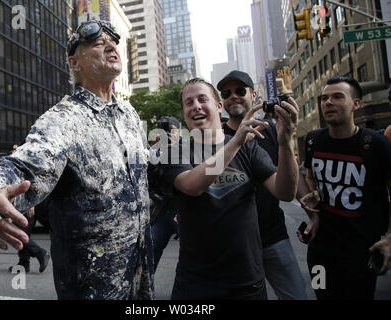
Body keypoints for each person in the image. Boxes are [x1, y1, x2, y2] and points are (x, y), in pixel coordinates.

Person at [0, 19, 153, 300]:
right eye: (97, 44)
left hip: (141, 283)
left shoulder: (129, 115)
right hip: (91, 287)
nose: (110, 46)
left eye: (113, 42)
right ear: (75, 63)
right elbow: (22, 163)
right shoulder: (62, 120)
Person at [160, 78, 299, 300]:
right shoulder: (175, 152)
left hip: (246, 282)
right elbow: (192, 185)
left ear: (218, 106)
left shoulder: (250, 148)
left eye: (202, 99)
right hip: (195, 284)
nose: (195, 105)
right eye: (188, 102)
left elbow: (285, 192)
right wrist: (236, 142)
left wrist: (285, 142)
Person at [298, 76, 391, 300]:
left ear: (356, 104)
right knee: (322, 294)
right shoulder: (312, 140)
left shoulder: (376, 144)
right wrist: (313, 194)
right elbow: (309, 174)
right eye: (324, 98)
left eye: (338, 97)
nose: (328, 102)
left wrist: (389, 238)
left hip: (360, 250)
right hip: (320, 251)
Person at [217, 70, 308, 300]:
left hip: (273, 236)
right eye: (226, 93)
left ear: (254, 95)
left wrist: (286, 140)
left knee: (296, 295)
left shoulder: (272, 130)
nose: (233, 97)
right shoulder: (215, 138)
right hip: (235, 245)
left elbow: (289, 181)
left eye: (240, 91)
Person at [0, 156, 50, 274]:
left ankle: (41, 253)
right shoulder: (12, 165)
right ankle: (24, 263)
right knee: (22, 235)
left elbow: (32, 182)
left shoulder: (23, 164)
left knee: (20, 235)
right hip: (19, 205)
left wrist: (32, 205)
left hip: (26, 206)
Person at [148, 116, 180, 272]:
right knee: (150, 250)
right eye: (163, 130)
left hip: (183, 211)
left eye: (171, 131)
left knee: (196, 253)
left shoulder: (188, 150)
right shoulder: (153, 154)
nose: (167, 134)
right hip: (162, 211)